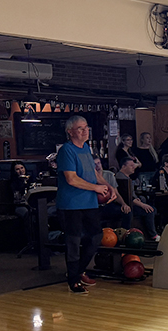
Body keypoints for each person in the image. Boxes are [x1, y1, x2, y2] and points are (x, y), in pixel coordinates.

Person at [56, 115, 114, 294]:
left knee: (96, 236)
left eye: (86, 127)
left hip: (89, 202)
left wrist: (108, 186)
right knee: (73, 241)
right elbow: (71, 179)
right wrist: (96, 188)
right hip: (71, 204)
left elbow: (93, 173)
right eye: (80, 128)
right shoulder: (66, 150)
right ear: (70, 132)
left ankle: (78, 271)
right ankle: (73, 280)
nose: (85, 131)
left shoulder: (87, 148)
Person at [115, 157, 160, 241]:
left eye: (134, 165)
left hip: (133, 203)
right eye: (131, 165)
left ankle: (149, 232)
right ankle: (153, 235)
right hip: (127, 205)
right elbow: (128, 197)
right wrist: (142, 205)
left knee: (152, 208)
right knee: (150, 210)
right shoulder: (121, 178)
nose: (134, 167)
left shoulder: (127, 177)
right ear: (123, 166)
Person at [94, 156, 129, 229]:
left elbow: (116, 193)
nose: (98, 166)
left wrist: (124, 204)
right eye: (94, 164)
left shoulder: (109, 175)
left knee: (127, 212)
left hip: (109, 204)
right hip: (95, 206)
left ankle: (124, 233)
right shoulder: (89, 177)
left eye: (99, 163)